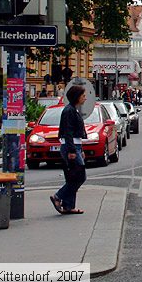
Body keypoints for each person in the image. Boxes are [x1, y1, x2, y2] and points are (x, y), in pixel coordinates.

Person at [51, 85, 88, 215]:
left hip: (75, 146)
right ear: (77, 97)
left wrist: (81, 148)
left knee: (72, 177)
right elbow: (68, 132)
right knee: (79, 176)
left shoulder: (73, 110)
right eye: (83, 96)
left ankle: (68, 206)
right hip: (70, 147)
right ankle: (58, 196)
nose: (85, 98)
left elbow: (77, 133)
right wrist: (72, 151)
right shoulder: (69, 111)